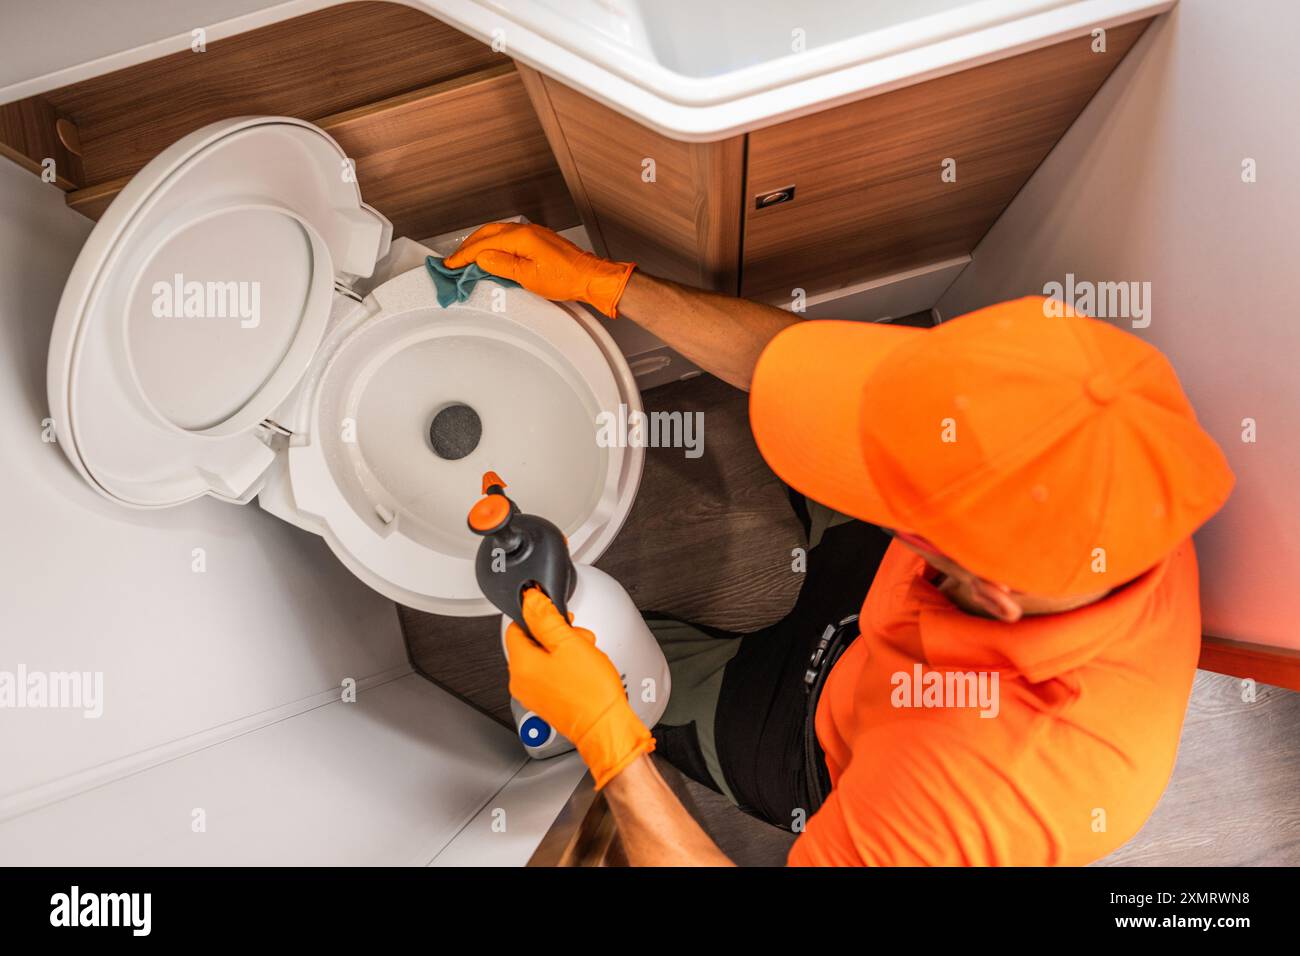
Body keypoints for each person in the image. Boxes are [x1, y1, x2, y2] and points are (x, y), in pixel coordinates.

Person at [446, 222, 1234, 866]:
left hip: (832, 745)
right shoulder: (1086, 446)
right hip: (891, 612)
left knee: (641, 676)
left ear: (982, 588)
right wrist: (603, 282)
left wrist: (607, 737)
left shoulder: (970, 792)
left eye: (896, 495)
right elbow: (789, 366)